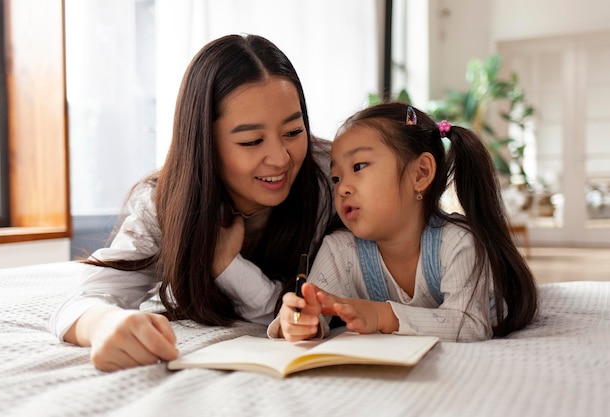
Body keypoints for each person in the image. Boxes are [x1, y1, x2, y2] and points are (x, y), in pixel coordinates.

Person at [50, 34, 338, 371]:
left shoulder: (332, 174)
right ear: (205, 143)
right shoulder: (167, 201)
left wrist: (226, 264)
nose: (280, 158)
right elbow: (85, 301)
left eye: (293, 131)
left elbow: (302, 313)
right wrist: (105, 325)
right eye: (251, 141)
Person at [271, 102, 538, 342]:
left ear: (420, 174)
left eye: (359, 167)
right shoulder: (340, 250)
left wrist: (383, 316)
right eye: (336, 178)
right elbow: (315, 314)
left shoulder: (457, 243)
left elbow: (469, 324)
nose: (342, 189)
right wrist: (300, 323)